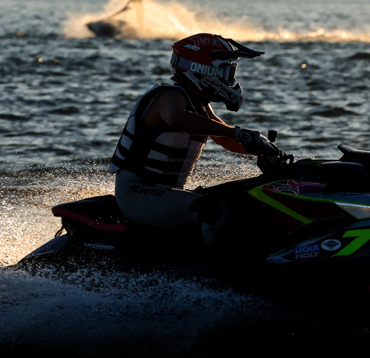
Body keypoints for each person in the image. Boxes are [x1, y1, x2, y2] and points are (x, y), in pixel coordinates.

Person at [109, 33, 281, 242]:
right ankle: (213, 273)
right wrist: (235, 132)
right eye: (226, 71)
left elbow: (224, 138)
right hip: (137, 193)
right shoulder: (169, 96)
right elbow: (176, 118)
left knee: (239, 198)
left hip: (165, 193)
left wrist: (264, 148)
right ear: (204, 70)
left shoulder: (199, 105)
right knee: (210, 210)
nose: (230, 79)